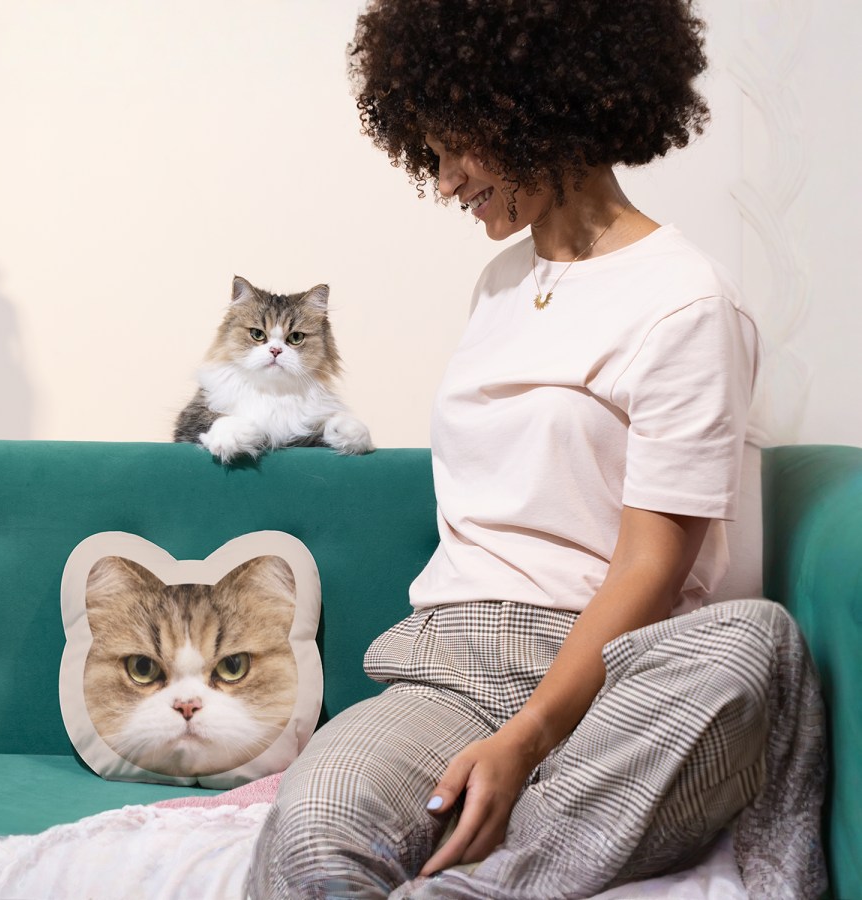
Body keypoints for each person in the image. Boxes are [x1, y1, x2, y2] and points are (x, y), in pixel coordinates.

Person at [247, 1, 827, 897]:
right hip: (446, 672)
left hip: (612, 678)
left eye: (455, 150)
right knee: (315, 833)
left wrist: (525, 740)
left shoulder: (685, 303)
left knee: (752, 647)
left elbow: (650, 568)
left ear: (536, 106)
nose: (443, 183)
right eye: (428, 154)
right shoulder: (500, 283)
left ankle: (483, 881)